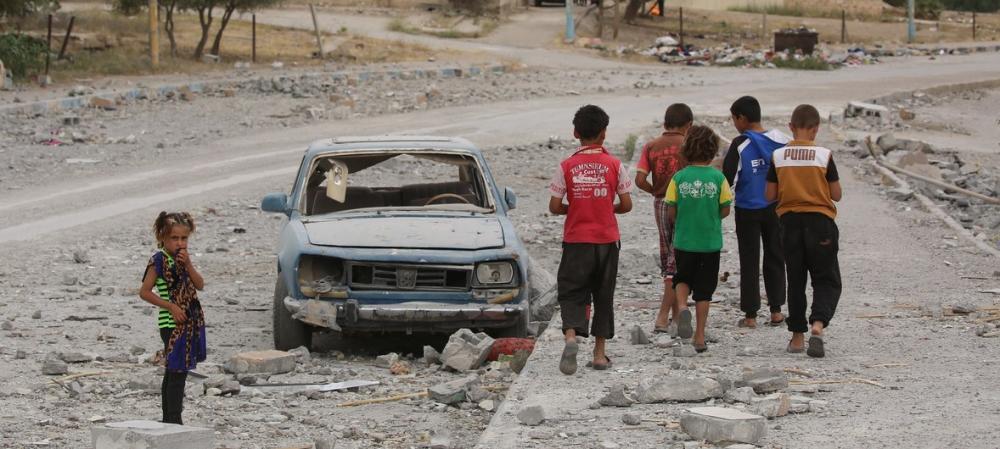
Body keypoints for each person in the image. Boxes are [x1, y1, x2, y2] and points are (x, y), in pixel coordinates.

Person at [550, 104, 633, 375]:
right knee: (603, 295)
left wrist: (573, 207)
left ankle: (571, 337)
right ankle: (599, 355)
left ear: (575, 133)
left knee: (572, 290)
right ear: (604, 134)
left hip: (576, 240)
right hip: (607, 241)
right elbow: (627, 204)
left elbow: (554, 205)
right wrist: (608, 207)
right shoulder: (615, 164)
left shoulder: (566, 166)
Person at [765, 104, 842, 358]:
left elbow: (770, 195)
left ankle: (797, 338)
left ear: (791, 127)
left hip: (789, 223)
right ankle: (818, 325)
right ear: (816, 129)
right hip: (820, 223)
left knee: (796, 280)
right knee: (826, 278)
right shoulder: (824, 155)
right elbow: (836, 194)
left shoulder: (778, 156)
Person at [722, 96, 789, 329]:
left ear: (741, 118)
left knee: (749, 260)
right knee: (776, 256)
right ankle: (776, 311)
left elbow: (727, 179)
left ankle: (750, 315)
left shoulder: (740, 143)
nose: (734, 124)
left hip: (747, 208)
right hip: (776, 207)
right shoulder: (782, 140)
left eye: (734, 119)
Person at [665, 125, 732, 352]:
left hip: (684, 240)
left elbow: (671, 209)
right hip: (710, 243)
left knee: (682, 278)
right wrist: (712, 217)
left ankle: (682, 306)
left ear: (686, 150)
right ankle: (700, 337)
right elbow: (725, 209)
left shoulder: (678, 178)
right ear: (713, 151)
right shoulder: (718, 178)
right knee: (705, 290)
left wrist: (681, 220)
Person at [138, 212, 207, 424]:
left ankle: (169, 418)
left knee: (175, 371)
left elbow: (199, 284)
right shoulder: (158, 260)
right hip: (171, 324)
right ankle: (173, 420)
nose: (179, 243)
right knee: (177, 373)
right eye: (174, 238)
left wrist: (188, 264)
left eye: (183, 238)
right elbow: (145, 292)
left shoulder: (183, 260)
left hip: (189, 323)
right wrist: (171, 307)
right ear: (162, 237)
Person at [634, 103, 692, 337]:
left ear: (665, 123)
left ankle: (677, 316)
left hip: (660, 203)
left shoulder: (651, 146)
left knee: (670, 255)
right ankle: (663, 316)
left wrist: (656, 190)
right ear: (688, 125)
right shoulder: (686, 145)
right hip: (684, 205)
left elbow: (639, 179)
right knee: (677, 260)